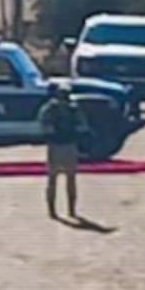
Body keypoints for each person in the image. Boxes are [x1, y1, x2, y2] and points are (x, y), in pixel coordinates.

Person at [36, 82, 90, 219]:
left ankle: (60, 210)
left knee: (57, 179)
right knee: (61, 179)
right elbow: (82, 126)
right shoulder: (60, 109)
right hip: (64, 145)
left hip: (61, 145)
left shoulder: (52, 109)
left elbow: (43, 125)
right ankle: (60, 210)